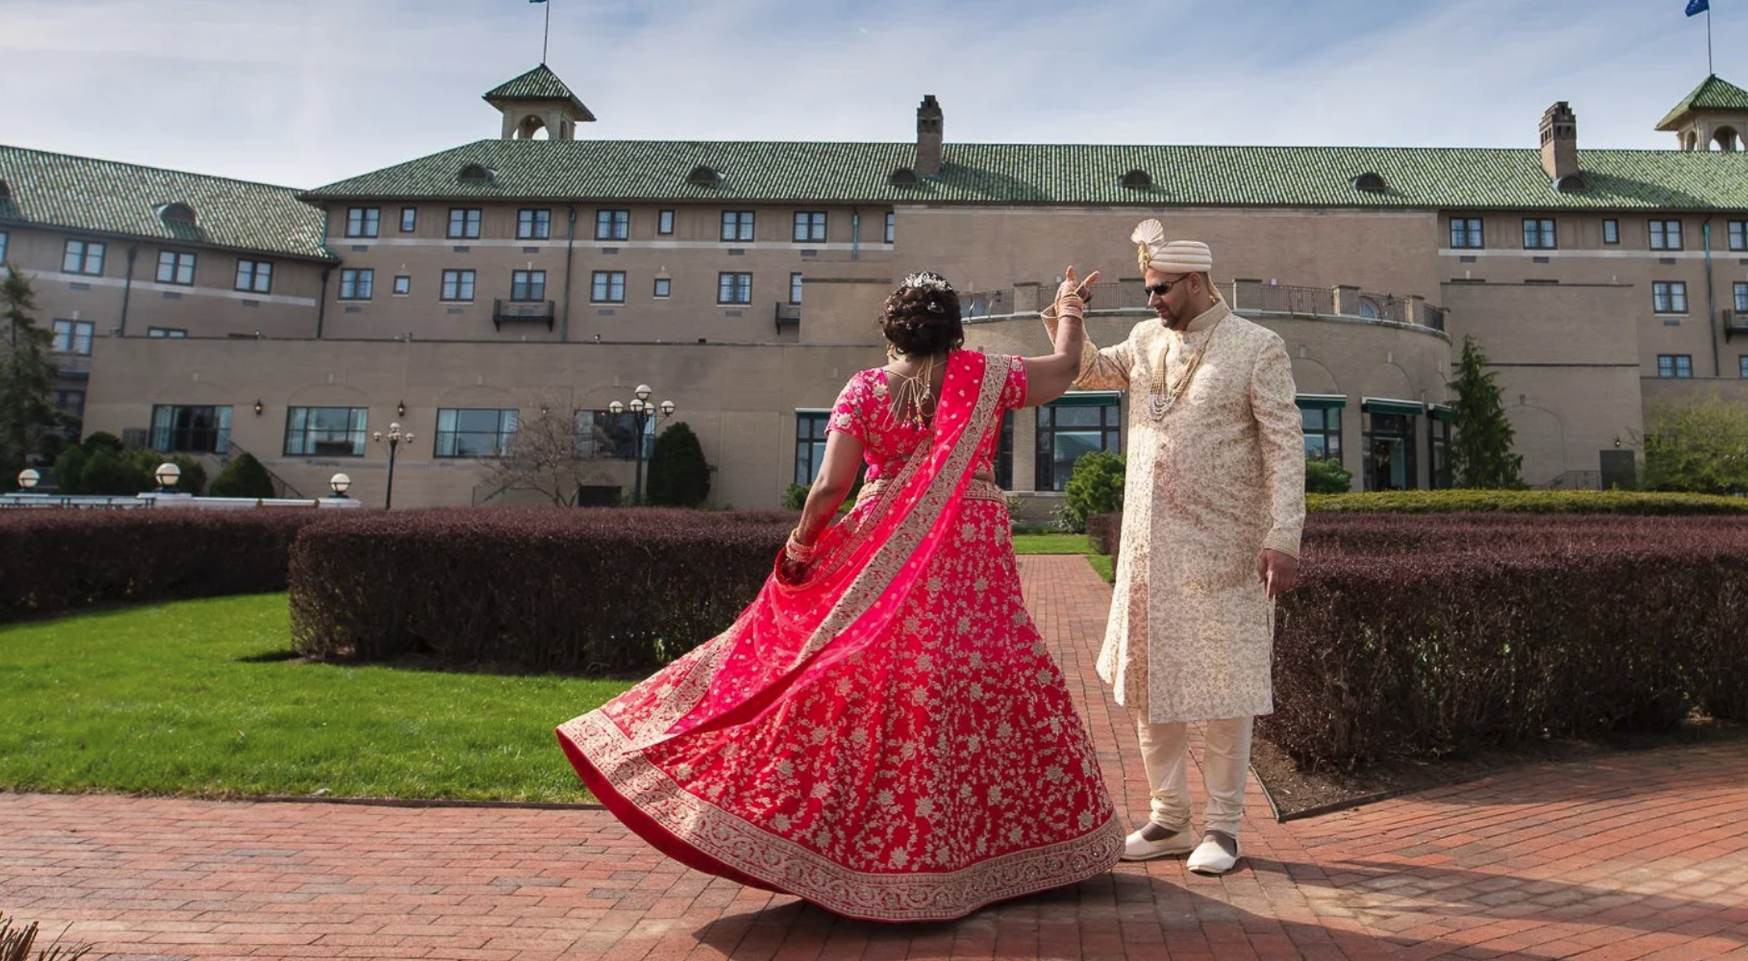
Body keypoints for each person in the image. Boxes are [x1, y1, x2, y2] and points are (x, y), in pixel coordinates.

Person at [556, 270, 1122, 922]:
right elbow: (1065, 367)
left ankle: (845, 833)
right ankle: (1018, 846)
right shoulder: (986, 375)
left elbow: (829, 485)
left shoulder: (869, 387)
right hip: (971, 545)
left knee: (858, 672)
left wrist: (800, 545)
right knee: (994, 667)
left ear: (892, 331)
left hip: (881, 547)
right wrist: (1070, 307)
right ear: (955, 329)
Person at [1052, 219, 1304, 876]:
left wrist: (1285, 534)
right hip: (1145, 554)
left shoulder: (1257, 347)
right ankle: (1168, 817)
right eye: (1146, 290)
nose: (1152, 300)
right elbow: (1082, 370)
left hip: (1224, 550)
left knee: (1223, 688)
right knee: (1146, 685)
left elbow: (1284, 447)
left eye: (1161, 288)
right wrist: (1069, 315)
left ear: (1195, 281)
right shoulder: (1142, 340)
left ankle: (1221, 826)